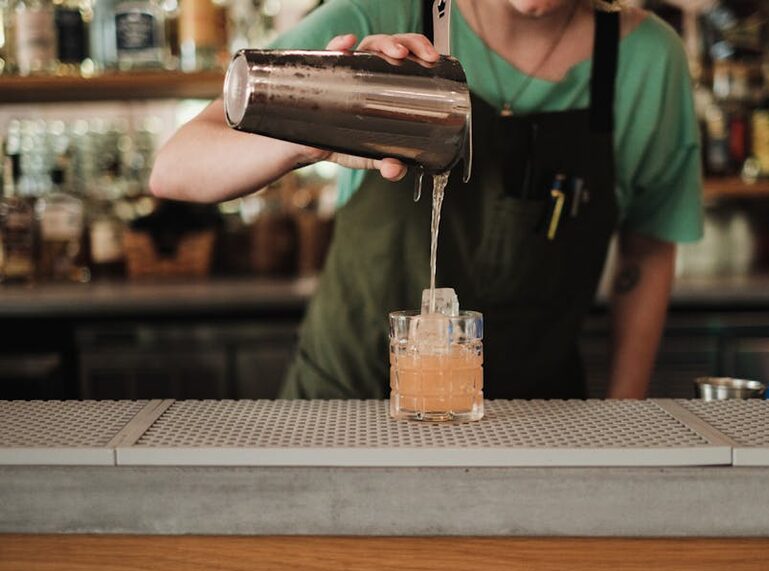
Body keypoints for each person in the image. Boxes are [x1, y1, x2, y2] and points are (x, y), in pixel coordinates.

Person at [150, 0, 703, 400]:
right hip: (348, 408)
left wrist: (620, 422)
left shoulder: (648, 59)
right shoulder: (380, 17)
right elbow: (176, 167)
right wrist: (323, 125)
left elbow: (649, 251)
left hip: (535, 422)